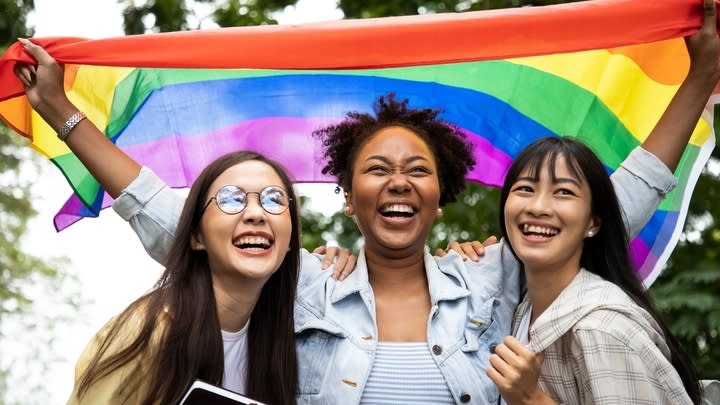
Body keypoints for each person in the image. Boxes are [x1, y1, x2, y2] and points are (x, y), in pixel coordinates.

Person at [12, 0, 717, 400]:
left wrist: (700, 78)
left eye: (418, 169)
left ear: (442, 194)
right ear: (349, 196)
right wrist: (64, 112)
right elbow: (173, 215)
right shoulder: (306, 284)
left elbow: (609, 201)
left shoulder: (495, 279)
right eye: (377, 169)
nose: (399, 181)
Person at [489, 137, 702, 404]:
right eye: (525, 189)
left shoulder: (602, 330)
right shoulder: (520, 311)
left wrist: (532, 399)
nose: (538, 207)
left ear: (593, 222)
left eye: (564, 192)